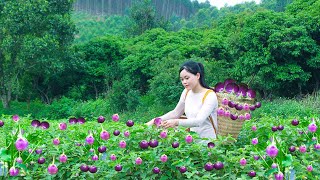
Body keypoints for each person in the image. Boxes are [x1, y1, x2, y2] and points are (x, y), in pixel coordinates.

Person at [146, 60, 218, 141]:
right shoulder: (186, 92)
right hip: (191, 141)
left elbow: (198, 121)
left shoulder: (210, 95)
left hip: (208, 143)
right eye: (182, 79)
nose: (184, 82)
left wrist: (176, 122)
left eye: (187, 78)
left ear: (197, 75)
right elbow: (175, 113)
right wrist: (156, 120)